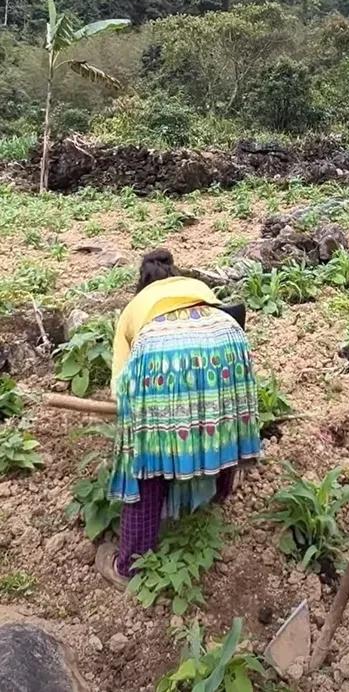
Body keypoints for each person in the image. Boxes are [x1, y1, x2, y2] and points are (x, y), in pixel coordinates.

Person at [95, 249, 261, 588]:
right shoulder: (195, 287)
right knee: (221, 422)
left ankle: (130, 565)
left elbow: (120, 387)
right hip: (226, 338)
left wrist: (142, 419)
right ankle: (217, 494)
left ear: (141, 285)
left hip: (158, 350)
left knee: (145, 460)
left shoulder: (132, 311)